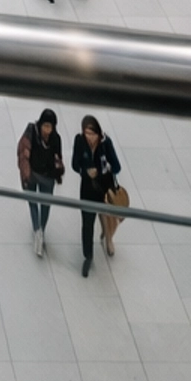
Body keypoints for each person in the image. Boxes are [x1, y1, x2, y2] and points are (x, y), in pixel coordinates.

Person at [71, 116, 121, 277]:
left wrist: (103, 168)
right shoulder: (79, 141)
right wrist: (85, 170)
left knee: (107, 216)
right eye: (86, 133)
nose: (89, 138)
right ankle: (88, 256)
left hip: (104, 188)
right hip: (87, 188)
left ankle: (108, 238)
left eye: (92, 134)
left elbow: (117, 166)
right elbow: (74, 163)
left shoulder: (106, 144)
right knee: (87, 223)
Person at [17, 108, 64, 257]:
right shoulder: (32, 132)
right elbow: (23, 152)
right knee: (32, 202)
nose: (47, 130)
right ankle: (37, 230)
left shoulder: (56, 139)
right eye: (45, 126)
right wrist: (25, 173)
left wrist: (58, 170)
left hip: (47, 177)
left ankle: (41, 230)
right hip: (32, 173)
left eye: (50, 127)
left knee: (45, 205)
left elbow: (58, 157)